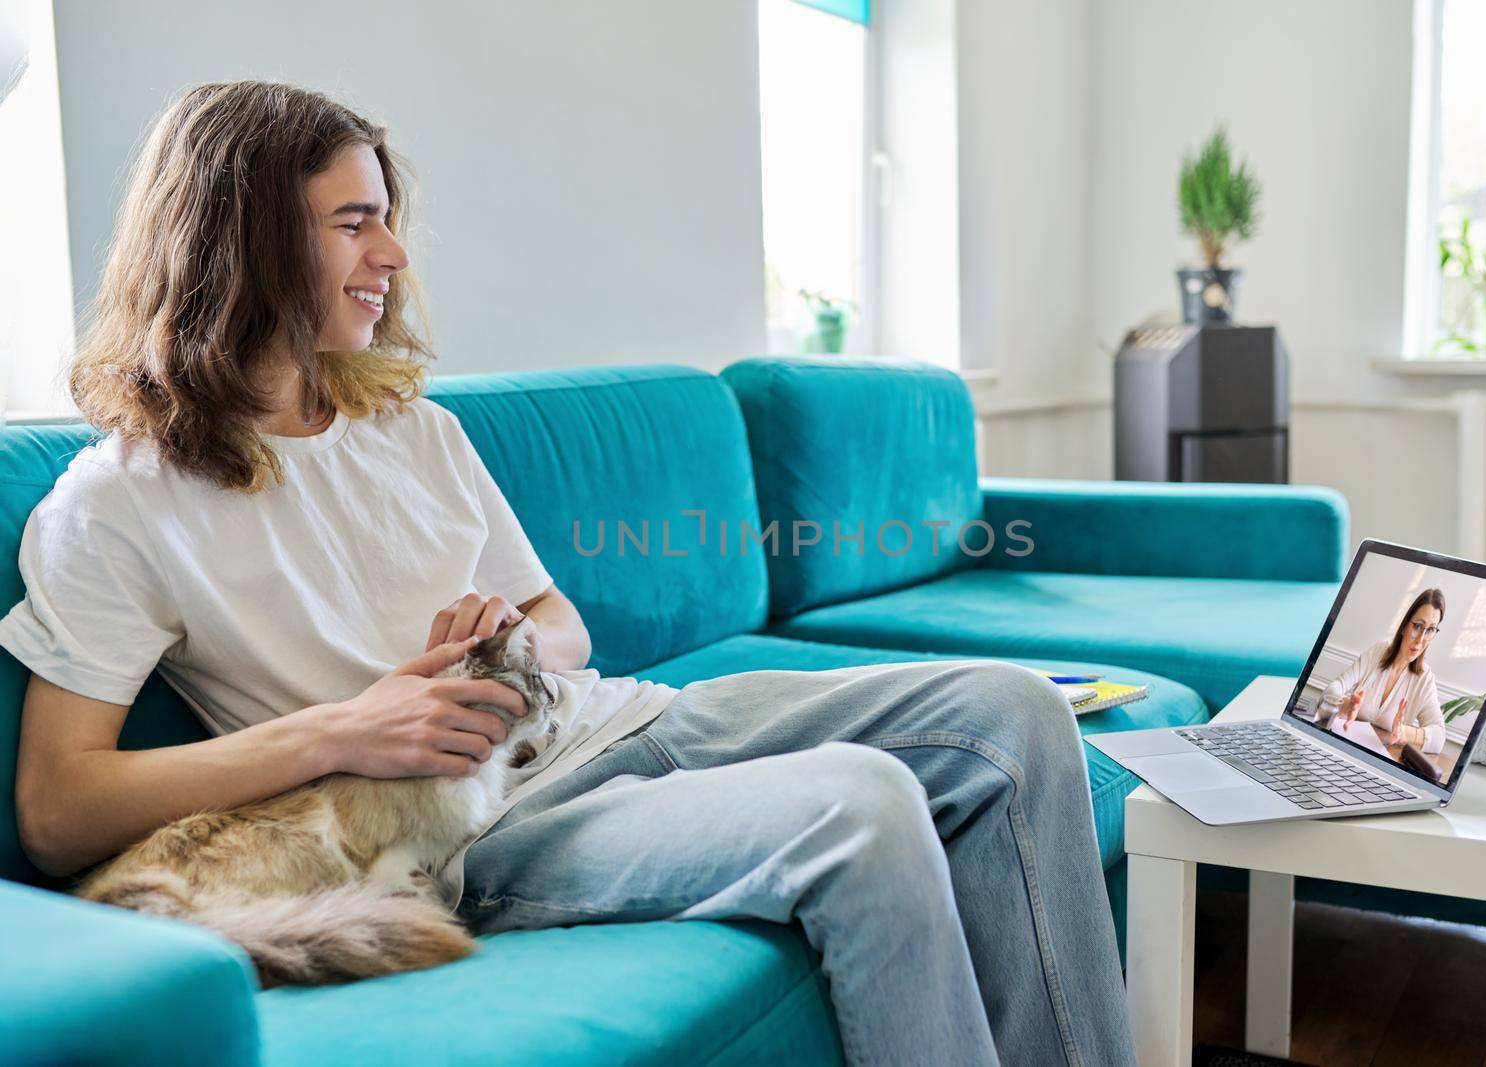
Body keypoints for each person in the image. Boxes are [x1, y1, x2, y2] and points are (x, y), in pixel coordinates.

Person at [2, 82, 1134, 1066]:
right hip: (476, 823)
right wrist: (348, 729)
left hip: (618, 718)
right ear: (243, 246)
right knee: (864, 801)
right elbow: (56, 810)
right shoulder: (116, 504)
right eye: (354, 224)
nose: (390, 257)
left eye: (385, 223)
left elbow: (565, 624)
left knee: (1015, 710)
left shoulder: (408, 426)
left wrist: (510, 645)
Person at [1314, 588, 1447, 754]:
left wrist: (1404, 732)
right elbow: (1333, 688)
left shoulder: (1424, 679)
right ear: (1405, 626)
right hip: (1340, 747)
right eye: (1418, 626)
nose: (1421, 639)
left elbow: (1439, 739)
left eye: (1431, 630)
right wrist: (1345, 705)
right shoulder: (1377, 653)